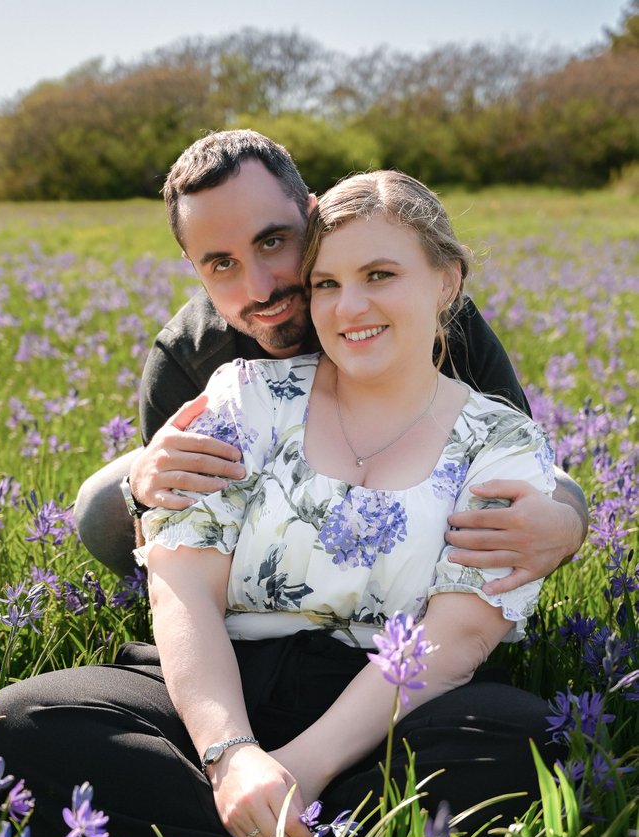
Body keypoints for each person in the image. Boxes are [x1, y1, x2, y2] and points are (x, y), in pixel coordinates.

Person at [0, 166, 562, 837]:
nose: (350, 306)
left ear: (447, 282)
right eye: (326, 283)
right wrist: (232, 757)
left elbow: (458, 638)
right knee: (18, 724)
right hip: (227, 679)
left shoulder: (500, 438)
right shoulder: (243, 392)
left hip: (391, 705)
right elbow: (183, 585)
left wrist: (300, 769)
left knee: (525, 740)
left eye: (380, 275)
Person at [74, 130, 587, 584]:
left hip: (414, 503)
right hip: (259, 554)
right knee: (104, 503)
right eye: (222, 264)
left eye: (273, 242)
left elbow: (518, 449)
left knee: (559, 499)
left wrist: (565, 528)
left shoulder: (424, 314)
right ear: (193, 267)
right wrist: (141, 493)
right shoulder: (186, 356)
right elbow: (169, 523)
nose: (260, 288)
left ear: (313, 214)